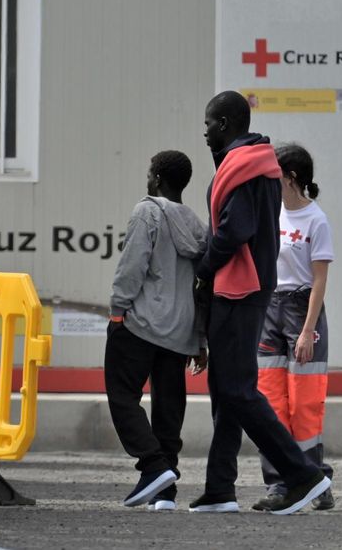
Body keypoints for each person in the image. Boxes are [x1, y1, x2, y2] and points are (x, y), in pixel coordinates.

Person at [188, 91, 331, 515]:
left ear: (225, 123)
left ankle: (302, 475)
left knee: (238, 390)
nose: (204, 131)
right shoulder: (251, 163)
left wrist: (204, 266)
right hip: (245, 292)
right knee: (225, 390)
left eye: (209, 123)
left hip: (240, 291)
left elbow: (234, 231)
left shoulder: (247, 166)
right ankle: (220, 489)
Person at [105, 150, 209, 511]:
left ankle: (153, 466)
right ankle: (166, 492)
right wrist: (200, 339)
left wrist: (117, 311)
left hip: (141, 324)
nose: (147, 179)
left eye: (150, 173)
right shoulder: (197, 226)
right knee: (169, 406)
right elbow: (202, 287)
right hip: (180, 331)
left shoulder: (146, 211)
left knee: (122, 395)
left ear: (159, 179)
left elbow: (132, 266)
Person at [253, 144, 336, 511]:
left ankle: (314, 480)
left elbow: (319, 281)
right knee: (270, 403)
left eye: (275, 172)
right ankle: (278, 484)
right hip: (270, 307)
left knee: (304, 405)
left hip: (303, 311)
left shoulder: (316, 220)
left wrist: (306, 331)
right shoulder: (271, 213)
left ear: (291, 177)